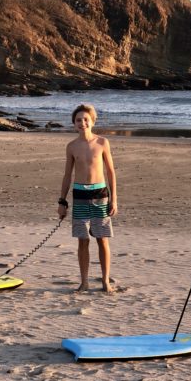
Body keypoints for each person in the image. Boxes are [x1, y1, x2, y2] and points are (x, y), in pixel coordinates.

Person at [57, 104, 118, 292]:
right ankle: (84, 282)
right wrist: (62, 201)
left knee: (102, 238)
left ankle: (105, 281)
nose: (82, 123)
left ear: (92, 121)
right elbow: (67, 175)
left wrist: (114, 199)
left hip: (100, 195)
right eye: (78, 120)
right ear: (73, 123)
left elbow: (110, 172)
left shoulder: (102, 143)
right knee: (82, 240)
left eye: (86, 119)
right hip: (80, 195)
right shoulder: (72, 146)